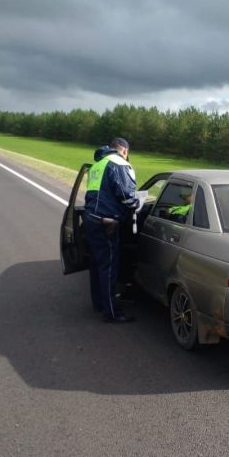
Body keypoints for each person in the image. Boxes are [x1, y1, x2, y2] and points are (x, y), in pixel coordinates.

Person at [83, 138, 139, 323]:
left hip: (91, 219)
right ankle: (111, 312)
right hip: (106, 222)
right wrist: (138, 203)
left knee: (97, 264)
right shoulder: (119, 164)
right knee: (109, 266)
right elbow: (126, 195)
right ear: (124, 151)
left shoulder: (98, 164)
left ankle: (99, 303)